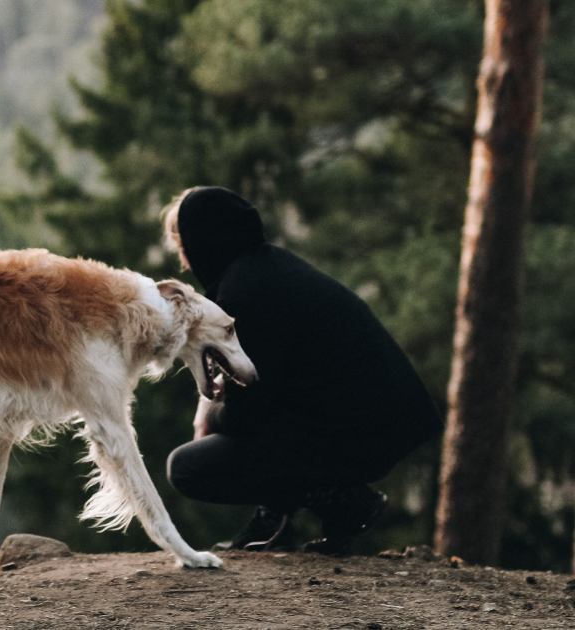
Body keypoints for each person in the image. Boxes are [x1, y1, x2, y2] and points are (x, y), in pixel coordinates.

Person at [162, 186, 443, 555]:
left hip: (364, 434)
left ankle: (345, 502)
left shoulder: (243, 295)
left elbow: (250, 414)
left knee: (187, 467)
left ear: (200, 242)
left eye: (182, 243)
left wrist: (211, 414)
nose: (183, 260)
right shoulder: (268, 269)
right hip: (383, 423)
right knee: (252, 428)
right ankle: (283, 516)